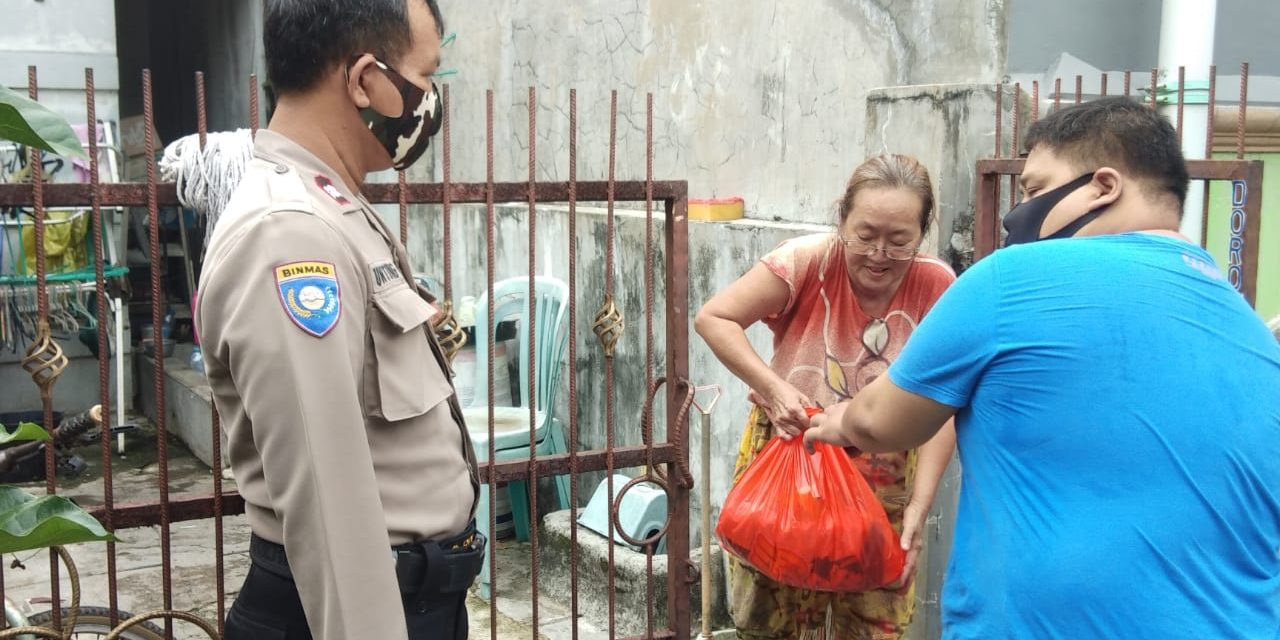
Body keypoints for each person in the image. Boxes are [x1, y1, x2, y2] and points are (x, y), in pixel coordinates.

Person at [804, 97, 1280, 639]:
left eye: (1033, 189)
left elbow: (882, 421)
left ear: (1104, 186)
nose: (1019, 211)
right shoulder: (1246, 327)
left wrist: (836, 420)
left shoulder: (1015, 278)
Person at [195, 1, 481, 638]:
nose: (431, 99)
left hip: (418, 602)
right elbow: (327, 505)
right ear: (364, 81)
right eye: (427, 75)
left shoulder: (330, 204)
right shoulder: (289, 237)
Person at [696, 154, 957, 639]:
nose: (879, 253)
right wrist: (775, 390)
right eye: (865, 234)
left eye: (900, 240)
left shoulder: (936, 286)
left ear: (922, 234)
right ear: (842, 220)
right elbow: (715, 318)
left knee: (872, 625)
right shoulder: (806, 262)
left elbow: (943, 405)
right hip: (792, 461)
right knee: (771, 620)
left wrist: (920, 508)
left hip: (886, 479)